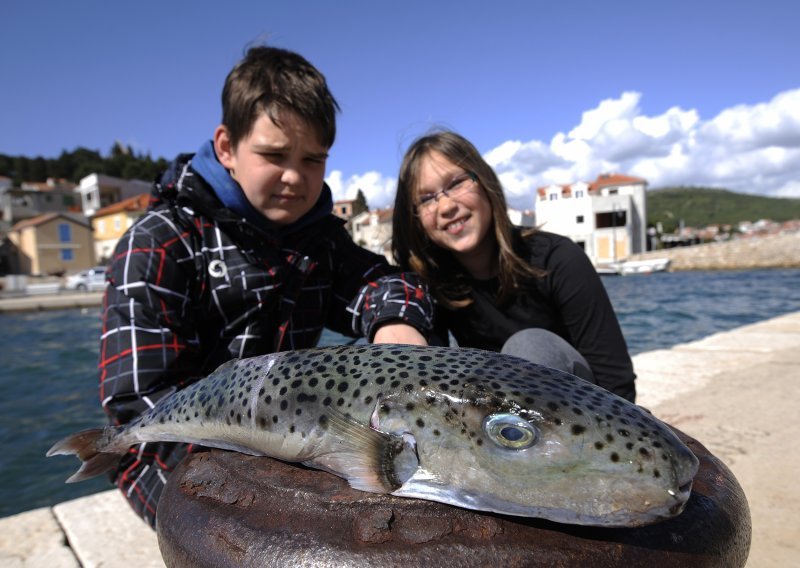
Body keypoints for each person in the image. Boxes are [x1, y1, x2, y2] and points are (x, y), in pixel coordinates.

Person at [99, 45, 432, 528]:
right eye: (274, 155)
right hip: (169, 456)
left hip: (280, 445)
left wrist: (397, 322)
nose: (295, 176)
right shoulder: (159, 244)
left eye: (313, 159)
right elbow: (140, 400)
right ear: (226, 147)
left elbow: (385, 280)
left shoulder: (321, 241)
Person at [391, 130, 636, 402]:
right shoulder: (435, 285)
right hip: (500, 419)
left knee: (529, 345)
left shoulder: (558, 258)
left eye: (457, 183)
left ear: (484, 182)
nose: (446, 206)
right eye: (426, 198)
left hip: (582, 410)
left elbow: (616, 382)